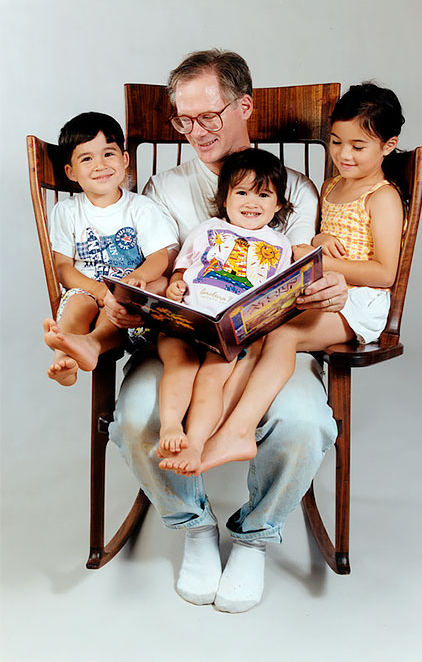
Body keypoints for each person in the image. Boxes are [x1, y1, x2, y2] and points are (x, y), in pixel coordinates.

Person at [105, 49, 348, 613]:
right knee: (139, 418)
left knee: (305, 422)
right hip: (183, 346)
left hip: (265, 345)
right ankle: (193, 524)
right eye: (182, 121)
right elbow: (163, 268)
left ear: (244, 106)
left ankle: (257, 536)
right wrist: (150, 295)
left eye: (208, 116)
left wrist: (328, 288)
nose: (195, 132)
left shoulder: (297, 194)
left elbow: (306, 271)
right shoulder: (166, 190)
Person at [198, 82, 405, 475]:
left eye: (358, 146)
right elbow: (327, 239)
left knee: (282, 333)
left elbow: (385, 272)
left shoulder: (382, 196)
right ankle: (215, 424)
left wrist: (319, 260)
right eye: (336, 141)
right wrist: (321, 240)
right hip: (324, 292)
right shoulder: (332, 186)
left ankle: (239, 430)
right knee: (259, 326)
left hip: (361, 303)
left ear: (388, 146)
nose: (344, 154)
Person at [157, 148, 294, 474]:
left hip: (231, 333)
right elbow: (182, 267)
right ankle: (171, 427)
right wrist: (175, 283)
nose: (252, 202)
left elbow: (277, 294)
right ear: (225, 199)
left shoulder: (278, 245)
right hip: (188, 320)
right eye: (242, 192)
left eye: (263, 195)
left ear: (277, 205)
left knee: (210, 379)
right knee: (180, 364)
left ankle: (195, 444)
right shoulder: (208, 229)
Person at [43, 112, 176, 386]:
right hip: (87, 290)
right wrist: (100, 291)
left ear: (125, 159)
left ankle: (92, 343)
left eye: (108, 154)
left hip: (129, 303)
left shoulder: (141, 208)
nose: (100, 165)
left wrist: (133, 280)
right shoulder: (67, 211)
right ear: (71, 172)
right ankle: (63, 360)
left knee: (123, 300)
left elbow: (158, 257)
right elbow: (63, 267)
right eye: (87, 158)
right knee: (79, 301)